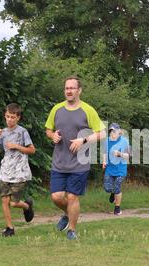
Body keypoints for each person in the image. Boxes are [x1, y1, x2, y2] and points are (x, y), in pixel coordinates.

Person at [45, 76, 106, 240]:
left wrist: (83, 140)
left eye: (72, 88)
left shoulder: (88, 110)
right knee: (56, 197)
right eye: (66, 88)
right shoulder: (56, 109)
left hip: (79, 163)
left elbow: (102, 133)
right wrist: (52, 136)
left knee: (72, 197)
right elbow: (48, 130)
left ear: (79, 90)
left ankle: (71, 230)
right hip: (59, 161)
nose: (69, 91)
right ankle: (68, 214)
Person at [0, 103, 36, 237]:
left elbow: (32, 150)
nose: (9, 120)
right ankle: (9, 228)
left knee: (13, 202)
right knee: (5, 200)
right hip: (5, 170)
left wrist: (16, 146)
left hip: (20, 171)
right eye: (7, 117)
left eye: (12, 117)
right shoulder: (3, 133)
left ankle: (27, 206)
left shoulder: (22, 132)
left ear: (18, 118)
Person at [102, 123, 130, 216]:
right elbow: (105, 153)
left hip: (121, 168)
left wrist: (120, 154)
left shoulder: (124, 141)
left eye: (114, 131)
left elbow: (128, 155)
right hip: (110, 168)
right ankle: (113, 193)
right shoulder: (107, 141)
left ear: (119, 132)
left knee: (117, 185)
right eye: (111, 131)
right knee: (107, 188)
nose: (112, 133)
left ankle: (117, 209)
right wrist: (104, 161)